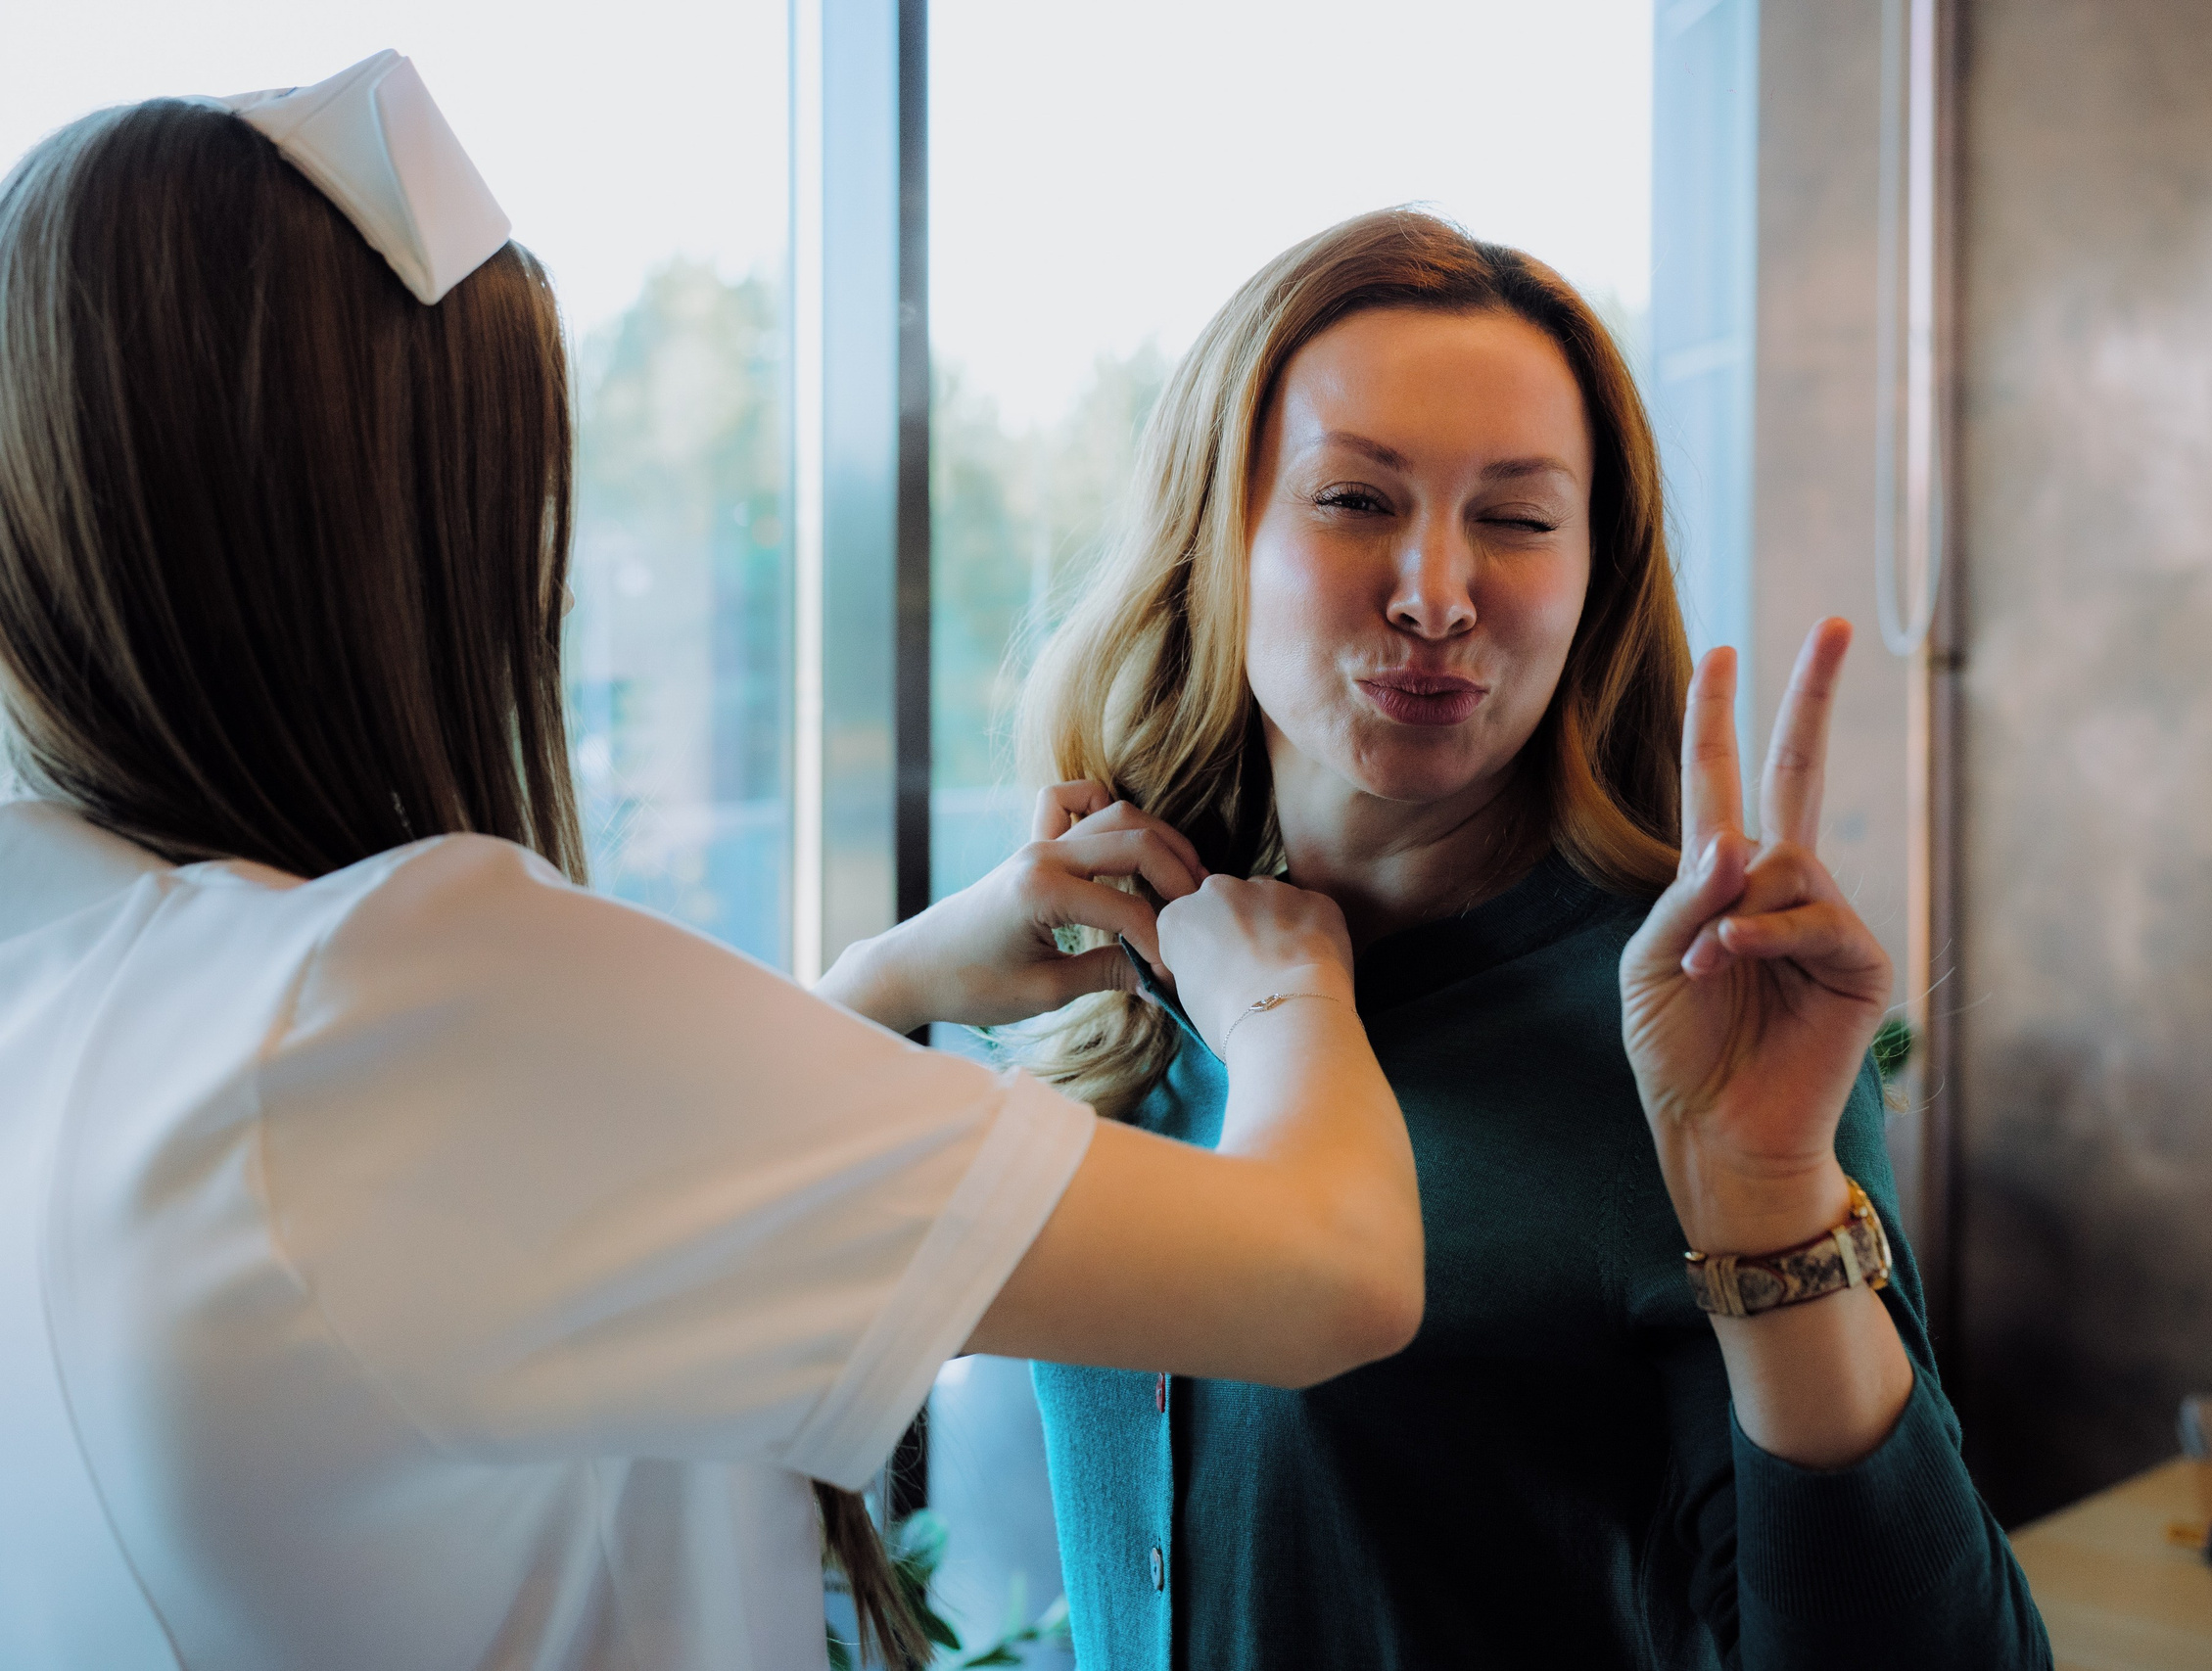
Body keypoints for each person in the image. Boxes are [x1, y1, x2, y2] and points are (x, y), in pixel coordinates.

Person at [0, 61, 1428, 1671]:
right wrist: (1290, 996)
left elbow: (526, 1230)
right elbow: (1337, 1272)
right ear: (400, 542)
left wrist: (879, 993)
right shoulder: (410, 995)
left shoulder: (71, 987)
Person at [1019, 209, 2052, 1669]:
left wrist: (1764, 1207)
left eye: (1515, 518)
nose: (1436, 594)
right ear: (1217, 532)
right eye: (1355, 501)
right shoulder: (1145, 974)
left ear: (1593, 584)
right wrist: (896, 980)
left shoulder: (1694, 1028)